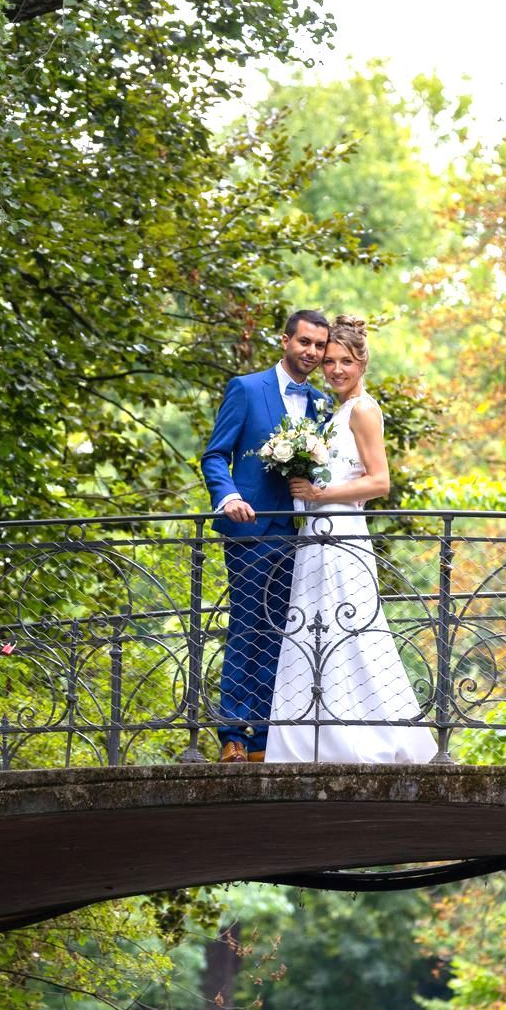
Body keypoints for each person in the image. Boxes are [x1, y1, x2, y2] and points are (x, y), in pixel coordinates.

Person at [266, 316, 438, 765]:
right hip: (317, 534)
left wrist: (321, 494)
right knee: (316, 626)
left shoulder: (363, 410)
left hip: (342, 531)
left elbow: (379, 482)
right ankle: (312, 736)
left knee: (350, 628)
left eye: (346, 361)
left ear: (362, 363)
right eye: (330, 361)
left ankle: (358, 737)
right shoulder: (334, 412)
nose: (336, 369)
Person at [201, 309, 333, 762]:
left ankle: (263, 738)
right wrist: (229, 497)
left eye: (319, 346)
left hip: (301, 533)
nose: (312, 353)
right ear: (285, 341)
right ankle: (232, 736)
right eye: (305, 343)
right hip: (251, 528)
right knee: (246, 626)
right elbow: (215, 456)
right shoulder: (246, 388)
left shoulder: (320, 402)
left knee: (283, 631)